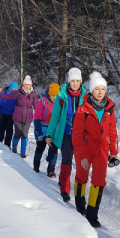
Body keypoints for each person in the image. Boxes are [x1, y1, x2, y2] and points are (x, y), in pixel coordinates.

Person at [72, 72, 118, 227]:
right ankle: (80, 205)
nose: (100, 92)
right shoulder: (82, 109)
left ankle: (93, 214)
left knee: (99, 181)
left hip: (102, 150)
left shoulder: (109, 108)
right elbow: (77, 135)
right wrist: (82, 156)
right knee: (82, 177)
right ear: (91, 90)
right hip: (84, 149)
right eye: (97, 89)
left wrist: (114, 152)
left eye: (102, 89)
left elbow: (112, 130)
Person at [46, 68, 88, 202]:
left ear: (80, 81)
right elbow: (55, 116)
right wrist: (49, 134)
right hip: (66, 131)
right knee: (67, 160)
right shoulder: (61, 96)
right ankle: (64, 188)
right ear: (69, 82)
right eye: (72, 81)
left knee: (80, 161)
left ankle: (74, 185)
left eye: (77, 81)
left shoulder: (86, 96)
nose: (75, 84)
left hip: (80, 134)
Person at [33, 83, 60, 176]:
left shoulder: (60, 105)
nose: (55, 98)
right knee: (40, 147)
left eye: (57, 95)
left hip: (53, 131)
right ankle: (36, 165)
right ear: (49, 94)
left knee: (54, 149)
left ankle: (51, 169)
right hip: (42, 129)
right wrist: (39, 133)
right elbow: (36, 118)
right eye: (53, 95)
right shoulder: (43, 102)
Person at [0, 81, 19, 147]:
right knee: (1, 129)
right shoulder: (4, 92)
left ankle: (7, 145)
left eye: (16, 89)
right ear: (11, 87)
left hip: (11, 115)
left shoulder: (16, 95)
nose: (15, 90)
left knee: (9, 130)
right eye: (14, 88)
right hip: (2, 114)